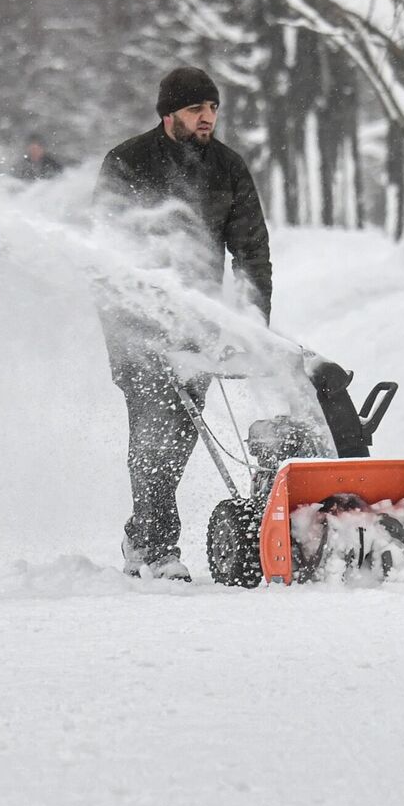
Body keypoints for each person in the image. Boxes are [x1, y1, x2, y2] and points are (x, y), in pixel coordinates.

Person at [92, 65, 272, 580]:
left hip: (197, 323)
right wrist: (137, 310)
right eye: (197, 109)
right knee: (153, 431)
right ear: (169, 113)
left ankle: (138, 535)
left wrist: (253, 320)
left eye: (213, 108)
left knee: (181, 436)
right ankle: (159, 552)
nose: (207, 119)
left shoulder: (228, 168)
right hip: (133, 323)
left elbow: (252, 252)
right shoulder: (127, 162)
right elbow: (108, 246)